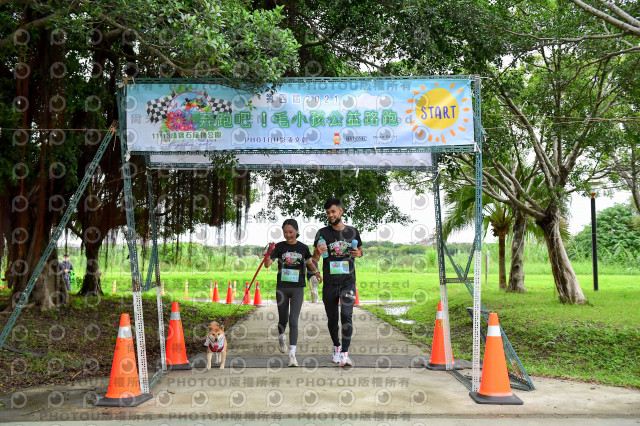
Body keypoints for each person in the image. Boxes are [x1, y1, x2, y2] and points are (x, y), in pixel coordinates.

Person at [265, 219, 322, 367]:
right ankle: (281, 337)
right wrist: (269, 253)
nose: (288, 235)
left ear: (297, 231)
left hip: (297, 288)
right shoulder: (279, 247)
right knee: (283, 320)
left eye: (291, 232)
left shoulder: (303, 248)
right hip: (282, 288)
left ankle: (292, 355)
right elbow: (267, 264)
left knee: (293, 320)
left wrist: (316, 272)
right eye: (285, 232)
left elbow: (309, 262)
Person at [313, 197, 362, 367]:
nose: (330, 215)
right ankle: (336, 347)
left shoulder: (353, 232)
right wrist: (318, 252)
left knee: (346, 315)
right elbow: (314, 258)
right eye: (328, 213)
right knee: (332, 319)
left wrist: (358, 254)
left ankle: (345, 354)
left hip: (348, 282)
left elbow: (360, 251)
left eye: (333, 211)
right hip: (330, 283)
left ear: (341, 211)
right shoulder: (322, 233)